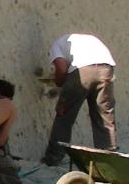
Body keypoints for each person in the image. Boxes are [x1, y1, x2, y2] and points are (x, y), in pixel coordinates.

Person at [41, 32, 117, 165]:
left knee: (64, 114)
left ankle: (53, 157)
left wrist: (59, 83)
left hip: (82, 70)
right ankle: (107, 154)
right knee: (104, 115)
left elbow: (62, 69)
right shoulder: (90, 40)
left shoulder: (57, 44)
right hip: (106, 68)